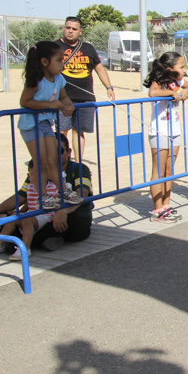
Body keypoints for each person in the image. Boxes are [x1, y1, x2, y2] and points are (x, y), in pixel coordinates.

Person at [0, 133, 94, 255]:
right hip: (43, 217)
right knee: (9, 216)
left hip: (73, 216)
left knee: (67, 219)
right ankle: (45, 241)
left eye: (58, 151)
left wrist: (64, 211)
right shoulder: (38, 170)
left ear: (69, 152)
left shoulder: (78, 168)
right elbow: (20, 197)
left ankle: (19, 244)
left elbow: (82, 193)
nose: (53, 156)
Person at [18, 41, 82, 210]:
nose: (63, 64)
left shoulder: (59, 79)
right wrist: (49, 105)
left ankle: (63, 191)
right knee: (41, 162)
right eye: (59, 60)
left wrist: (70, 106)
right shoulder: (36, 80)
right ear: (45, 62)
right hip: (31, 124)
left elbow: (63, 97)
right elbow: (25, 101)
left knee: (54, 160)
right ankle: (42, 196)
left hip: (46, 123)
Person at [145, 52, 188, 221]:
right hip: (159, 130)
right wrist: (169, 93)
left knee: (169, 170)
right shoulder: (160, 81)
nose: (184, 70)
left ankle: (166, 204)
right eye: (181, 67)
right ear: (170, 68)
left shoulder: (179, 81)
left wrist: (186, 91)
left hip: (174, 129)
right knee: (159, 171)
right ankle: (157, 209)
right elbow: (152, 93)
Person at [56, 17, 115, 159]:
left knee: (79, 131)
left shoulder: (88, 48)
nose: (70, 31)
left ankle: (78, 164)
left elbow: (99, 68)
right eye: (68, 28)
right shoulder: (54, 47)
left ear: (80, 32)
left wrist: (109, 87)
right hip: (62, 98)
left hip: (85, 98)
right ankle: (60, 161)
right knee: (62, 131)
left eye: (74, 29)